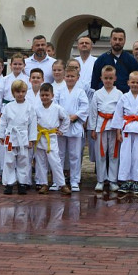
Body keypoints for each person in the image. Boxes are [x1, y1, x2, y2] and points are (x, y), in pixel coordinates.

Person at [0, 79, 37, 195]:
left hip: (23, 137)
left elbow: (32, 124)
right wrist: (1, 135)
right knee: (9, 160)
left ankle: (22, 184)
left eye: (23, 91)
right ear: (13, 93)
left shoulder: (30, 107)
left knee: (23, 161)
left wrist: (31, 139)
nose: (20, 94)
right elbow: (3, 122)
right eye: (18, 92)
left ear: (26, 92)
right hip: (10, 137)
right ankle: (9, 184)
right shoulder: (8, 107)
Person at [55, 64, 88, 192]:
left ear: (77, 78)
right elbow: (55, 106)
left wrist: (74, 117)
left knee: (75, 155)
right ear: (64, 77)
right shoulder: (59, 92)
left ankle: (75, 180)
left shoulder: (81, 92)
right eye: (67, 76)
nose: (70, 78)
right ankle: (59, 181)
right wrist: (63, 118)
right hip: (62, 126)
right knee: (60, 154)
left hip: (75, 125)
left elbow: (84, 107)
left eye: (72, 76)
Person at [89, 65, 123, 191]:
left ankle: (113, 180)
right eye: (105, 78)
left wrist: (120, 129)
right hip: (101, 126)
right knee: (100, 154)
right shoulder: (97, 94)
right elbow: (93, 113)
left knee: (114, 154)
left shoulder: (119, 94)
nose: (108, 80)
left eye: (110, 78)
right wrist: (92, 129)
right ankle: (101, 180)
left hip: (114, 126)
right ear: (101, 78)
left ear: (115, 78)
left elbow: (121, 113)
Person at [33, 83, 69, 194]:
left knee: (55, 161)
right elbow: (32, 122)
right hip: (40, 137)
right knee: (40, 163)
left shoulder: (57, 108)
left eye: (47, 95)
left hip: (51, 137)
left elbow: (66, 119)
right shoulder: (36, 109)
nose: (44, 97)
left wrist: (62, 130)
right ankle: (43, 184)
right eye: (42, 95)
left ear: (52, 95)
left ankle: (62, 184)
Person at [90, 28, 138, 93]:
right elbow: (94, 83)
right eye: (115, 39)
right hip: (105, 97)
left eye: (120, 39)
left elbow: (136, 80)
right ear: (110, 40)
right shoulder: (101, 60)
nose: (117, 42)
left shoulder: (131, 60)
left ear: (124, 41)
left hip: (125, 97)